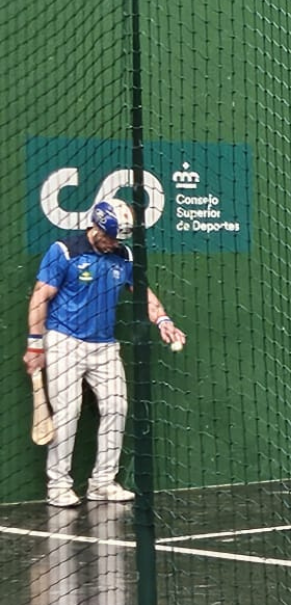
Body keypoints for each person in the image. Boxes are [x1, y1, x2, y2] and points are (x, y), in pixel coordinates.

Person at [23, 198, 188, 507]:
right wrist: (35, 344)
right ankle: (58, 485)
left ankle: (102, 483)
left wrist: (163, 319)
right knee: (68, 414)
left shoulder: (122, 256)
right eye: (110, 237)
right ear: (96, 226)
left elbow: (142, 292)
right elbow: (39, 297)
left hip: (105, 346)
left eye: (118, 239)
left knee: (117, 407)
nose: (113, 243)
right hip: (63, 342)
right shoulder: (65, 251)